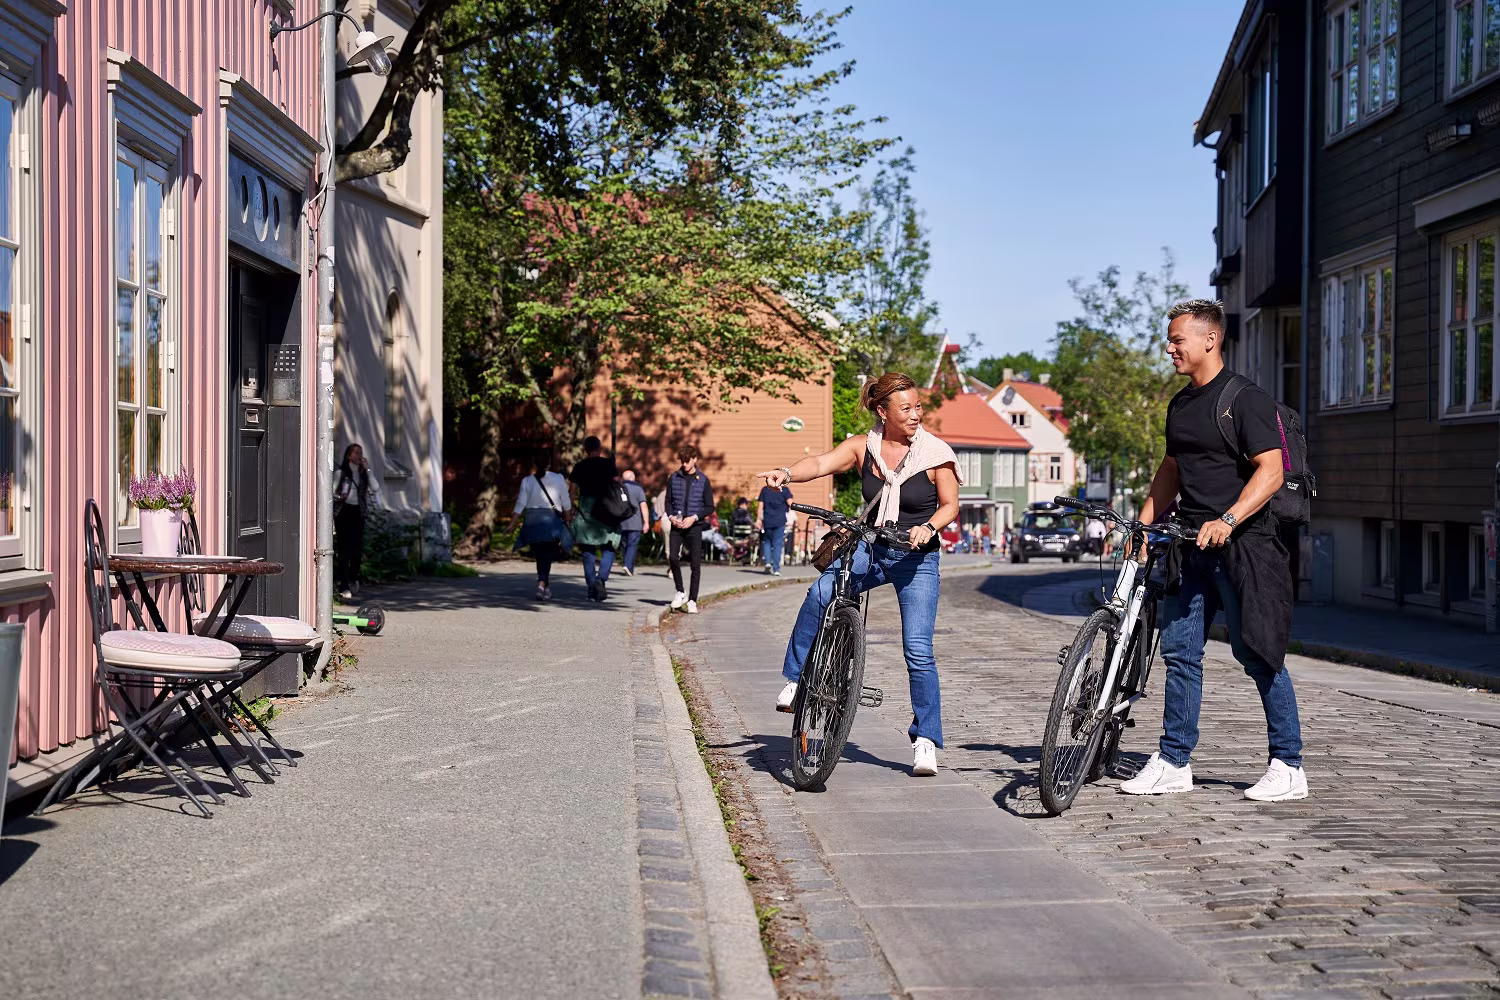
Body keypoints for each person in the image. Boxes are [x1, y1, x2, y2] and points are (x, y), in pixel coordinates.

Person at [1121, 298, 1307, 802]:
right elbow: (1171, 471)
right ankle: (1174, 761)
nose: (1170, 347)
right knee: (1181, 653)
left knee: (1258, 652)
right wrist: (1142, 526)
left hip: (1246, 545)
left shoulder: (1245, 399)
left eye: (1178, 339)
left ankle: (1288, 765)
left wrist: (1228, 519)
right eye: (1170, 338)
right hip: (1190, 544)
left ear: (1210, 339)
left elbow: (1271, 472)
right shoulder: (1180, 404)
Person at [758, 372, 960, 777]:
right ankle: (797, 681)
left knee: (918, 651)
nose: (916, 414)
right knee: (820, 594)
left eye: (918, 406)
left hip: (916, 559)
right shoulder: (863, 447)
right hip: (872, 545)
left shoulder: (936, 453)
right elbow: (819, 463)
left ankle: (925, 741)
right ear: (883, 412)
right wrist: (787, 472)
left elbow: (951, 504)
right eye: (906, 408)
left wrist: (930, 527)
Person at [510, 450, 572, 600]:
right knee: (547, 554)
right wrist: (568, 519)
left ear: (534, 464)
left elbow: (520, 503)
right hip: (550, 520)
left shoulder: (527, 481)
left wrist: (512, 523)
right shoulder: (558, 478)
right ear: (549, 463)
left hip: (532, 520)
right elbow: (566, 502)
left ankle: (545, 586)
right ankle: (541, 583)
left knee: (540, 554)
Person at [568, 435, 621, 602]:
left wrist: (572, 509)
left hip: (586, 509)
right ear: (600, 448)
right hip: (606, 509)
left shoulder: (579, 466)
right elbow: (617, 485)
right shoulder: (608, 464)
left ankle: (591, 588)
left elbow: (571, 491)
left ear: (585, 449)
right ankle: (601, 579)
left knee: (588, 551)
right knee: (609, 546)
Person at [666, 444, 715, 614]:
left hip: (694, 526)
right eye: (682, 461)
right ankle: (680, 591)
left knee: (695, 563)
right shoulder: (674, 478)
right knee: (672, 556)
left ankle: (693, 599)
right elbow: (668, 502)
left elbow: (709, 507)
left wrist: (694, 518)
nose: (685, 464)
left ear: (695, 459)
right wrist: (671, 516)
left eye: (688, 461)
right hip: (677, 525)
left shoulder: (702, 480)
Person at [333, 444, 380, 600]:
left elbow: (375, 488)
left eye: (361, 453)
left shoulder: (363, 474)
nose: (359, 455)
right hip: (343, 512)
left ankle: (354, 578)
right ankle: (343, 585)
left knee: (357, 551)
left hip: (358, 513)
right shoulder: (341, 473)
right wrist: (339, 497)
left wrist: (368, 469)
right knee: (344, 550)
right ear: (349, 455)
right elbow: (332, 492)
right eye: (356, 452)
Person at [756, 477, 793, 576]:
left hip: (768, 520)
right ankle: (776, 568)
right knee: (777, 544)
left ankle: (767, 562)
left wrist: (758, 519)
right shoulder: (784, 490)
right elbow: (791, 504)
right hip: (780, 520)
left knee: (767, 542)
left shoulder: (765, 490)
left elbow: (760, 506)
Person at [618, 470, 650, 577]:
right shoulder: (638, 489)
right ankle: (627, 565)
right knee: (632, 545)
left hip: (621, 522)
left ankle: (629, 568)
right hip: (635, 522)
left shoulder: (618, 489)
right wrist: (646, 522)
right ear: (633, 478)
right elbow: (643, 506)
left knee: (624, 545)